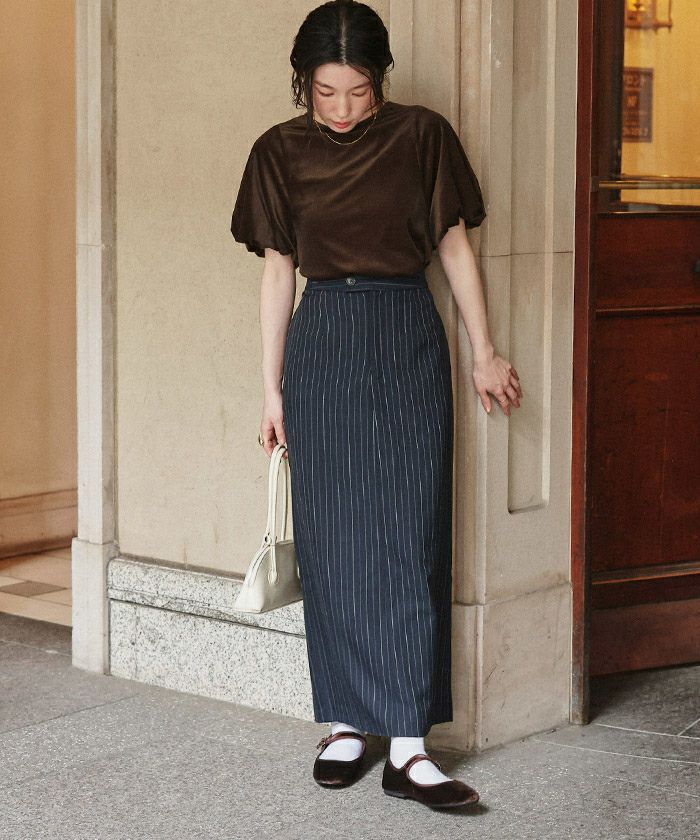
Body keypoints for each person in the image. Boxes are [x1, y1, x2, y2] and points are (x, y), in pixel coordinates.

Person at [230, 0, 522, 810]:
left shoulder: (422, 136)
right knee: (331, 541)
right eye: (326, 92)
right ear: (303, 83)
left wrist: (483, 350)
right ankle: (347, 723)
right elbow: (278, 273)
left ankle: (409, 747)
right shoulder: (277, 152)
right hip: (323, 336)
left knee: (408, 536)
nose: (342, 108)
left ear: (381, 81)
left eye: (358, 92)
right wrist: (271, 389)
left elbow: (455, 247)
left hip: (405, 333)